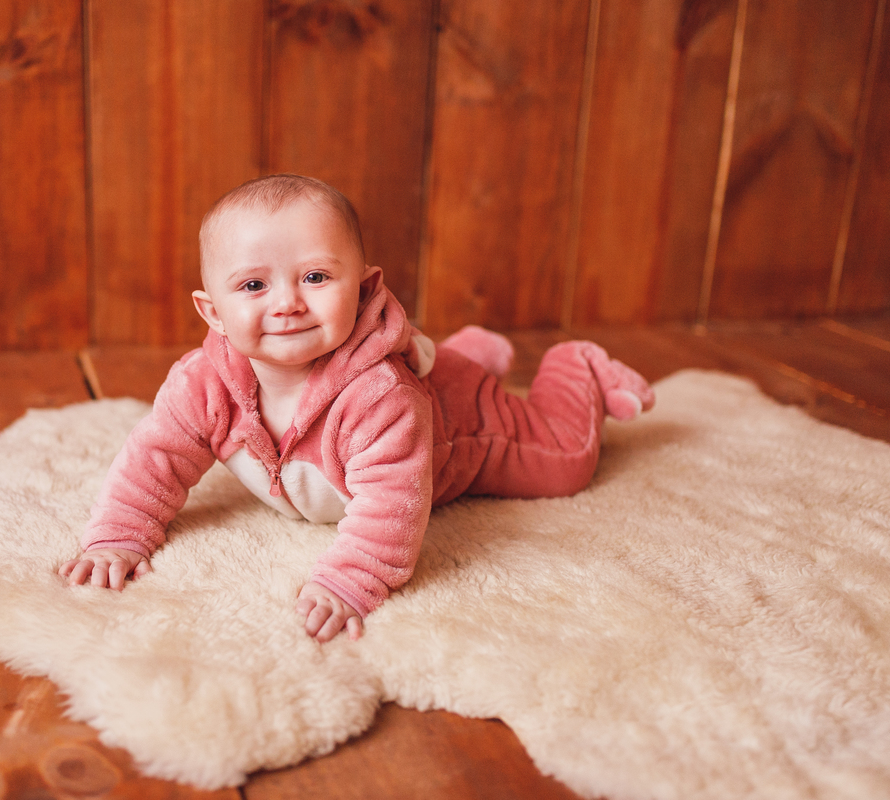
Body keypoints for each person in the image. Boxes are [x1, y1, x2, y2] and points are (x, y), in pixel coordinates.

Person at [60, 174, 654, 643]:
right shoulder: (202, 383)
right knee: (445, 371)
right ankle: (463, 351)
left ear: (366, 290)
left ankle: (574, 366)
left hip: (461, 424)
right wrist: (118, 535)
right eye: (252, 287)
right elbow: (155, 458)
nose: (288, 303)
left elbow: (392, 506)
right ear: (212, 311)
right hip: (429, 385)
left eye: (315, 276)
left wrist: (351, 579)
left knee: (564, 461)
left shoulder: (379, 399)